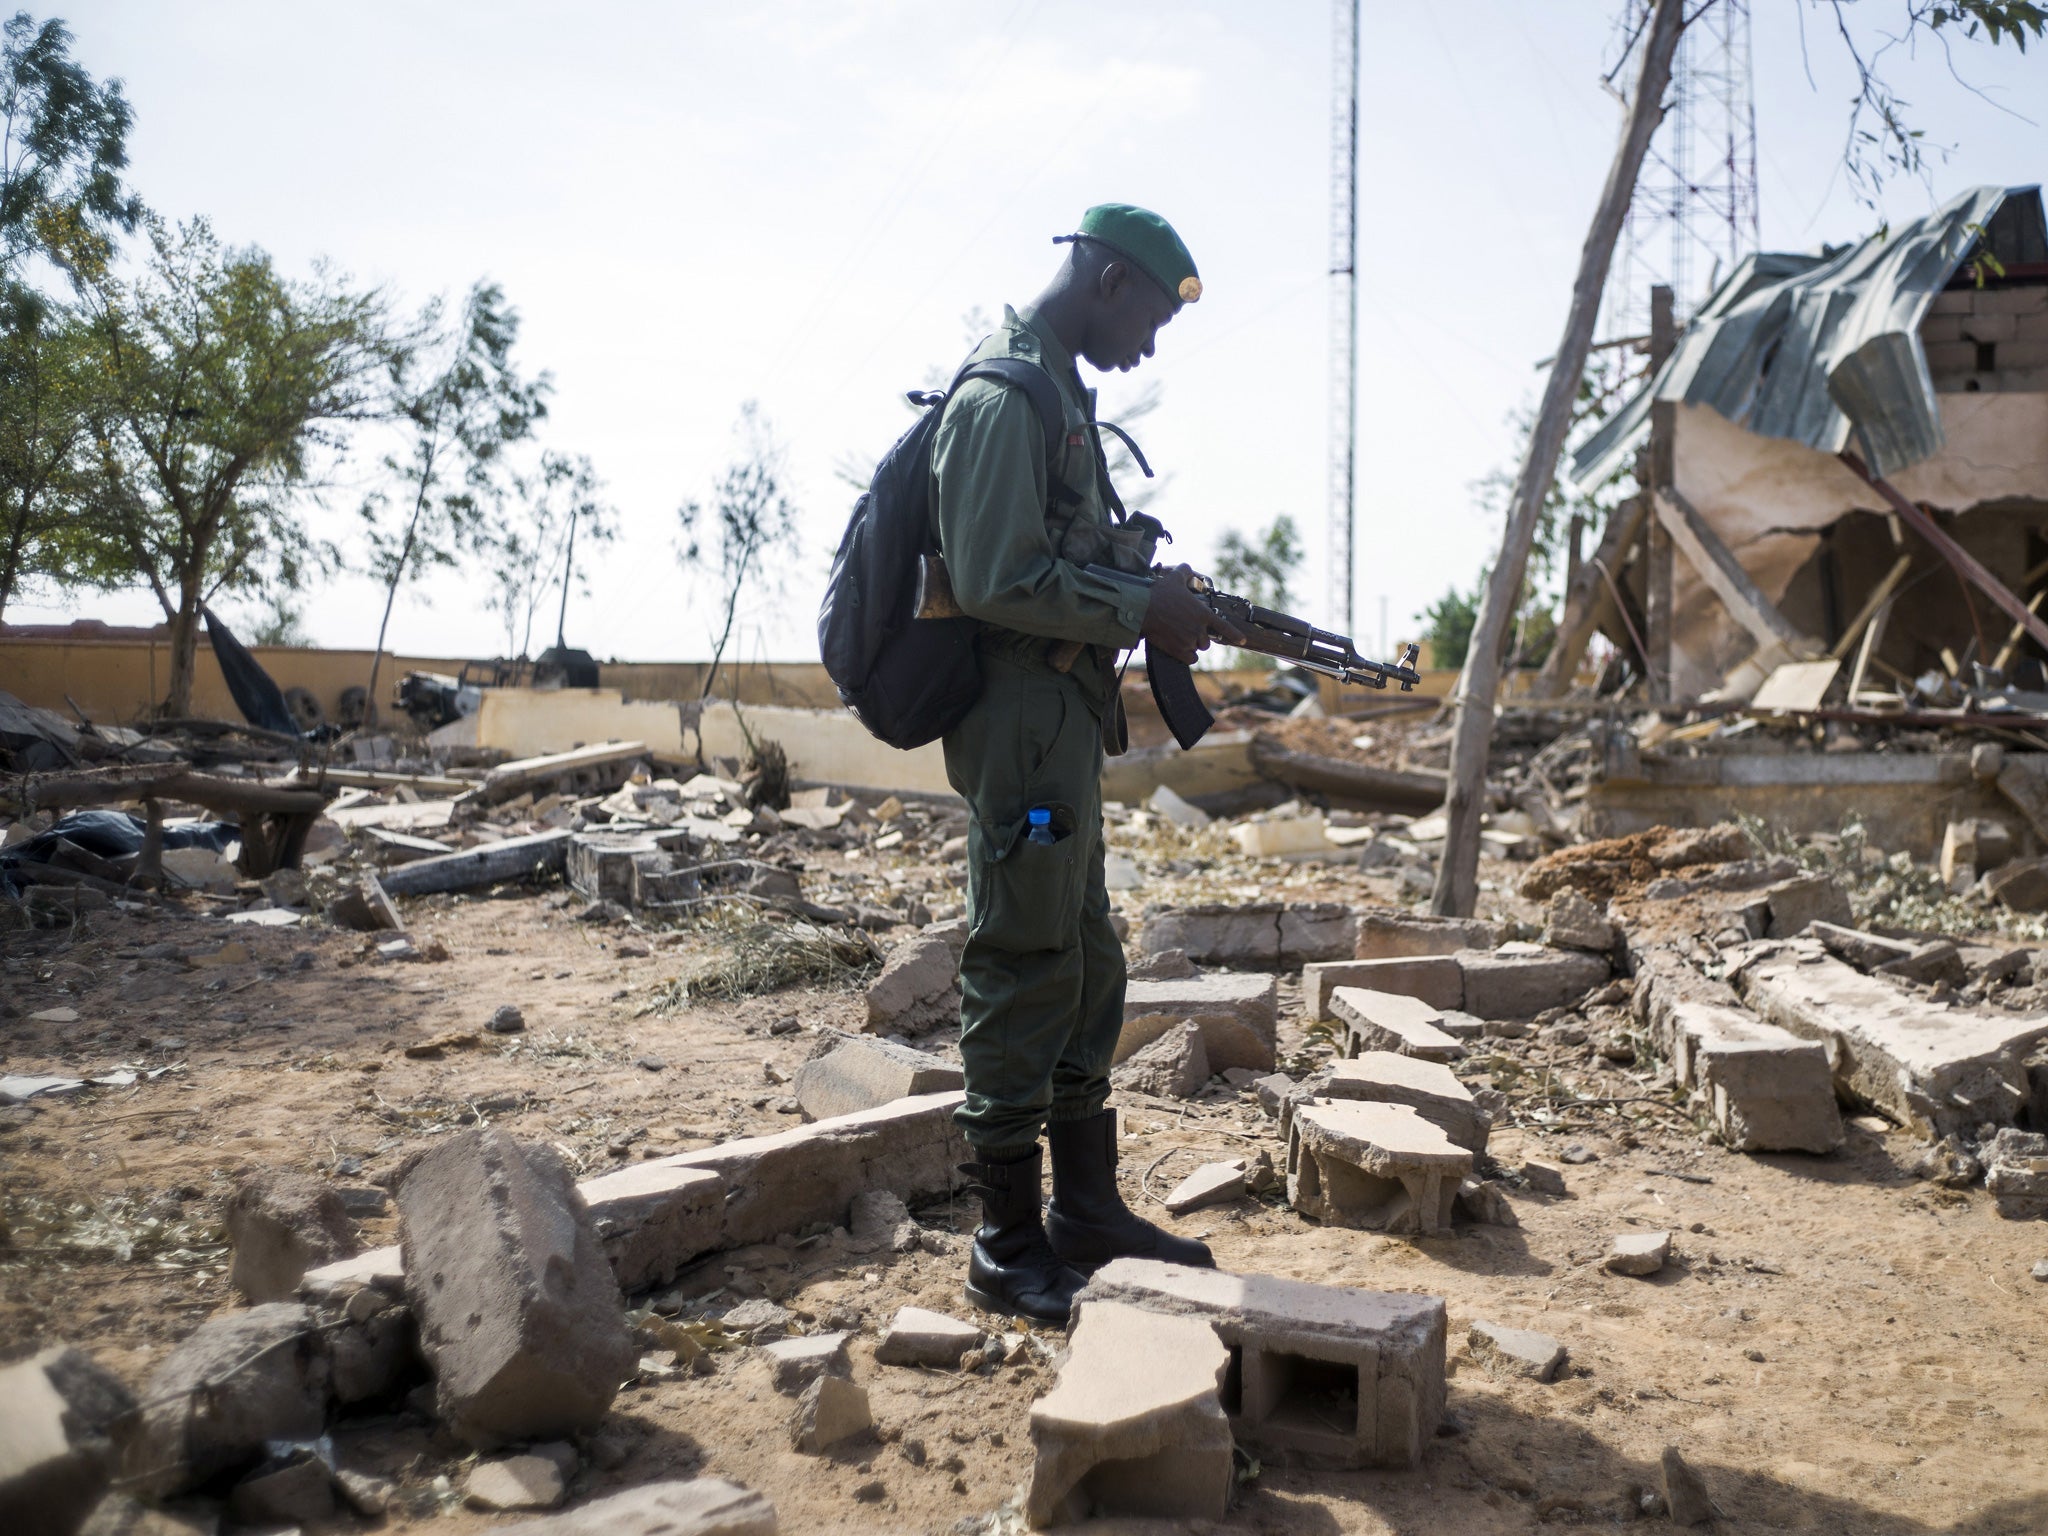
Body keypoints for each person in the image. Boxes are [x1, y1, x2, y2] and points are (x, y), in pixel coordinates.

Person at [930, 204, 1247, 1324]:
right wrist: (1134, 602)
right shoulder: (1004, 392)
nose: (1150, 347)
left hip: (1059, 719)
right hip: (1017, 723)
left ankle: (1085, 1211)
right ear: (1106, 279)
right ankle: (1004, 1240)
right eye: (1151, 320)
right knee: (1022, 952)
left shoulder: (1057, 388)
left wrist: (1152, 598)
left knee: (1085, 953)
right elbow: (987, 572)